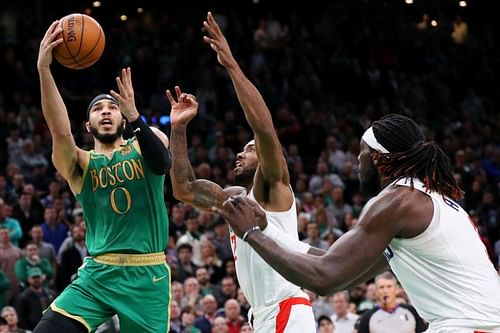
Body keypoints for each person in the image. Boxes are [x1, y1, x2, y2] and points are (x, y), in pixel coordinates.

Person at [218, 114, 500, 332]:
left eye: (362, 152)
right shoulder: (428, 198)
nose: (357, 159)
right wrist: (268, 230)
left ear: (378, 159)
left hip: (469, 326)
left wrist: (252, 234)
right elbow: (338, 264)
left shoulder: (397, 201)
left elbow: (324, 278)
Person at [167, 11, 320, 332]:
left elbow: (264, 130)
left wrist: (231, 66)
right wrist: (178, 128)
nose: (241, 152)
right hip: (262, 314)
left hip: (286, 310)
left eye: (249, 150)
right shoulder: (236, 199)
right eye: (243, 148)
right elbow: (184, 188)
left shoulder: (272, 189)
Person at [34, 20, 172, 333]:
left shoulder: (147, 142)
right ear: (88, 125)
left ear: (123, 117)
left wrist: (137, 117)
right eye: (98, 109)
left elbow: (162, 163)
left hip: (146, 275)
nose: (106, 112)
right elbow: (58, 129)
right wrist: (44, 69)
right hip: (98, 272)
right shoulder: (81, 163)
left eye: (112, 107)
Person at [356, 271, 427, 333]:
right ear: (376, 291)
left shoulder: (412, 311)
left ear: (396, 289)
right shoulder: (367, 317)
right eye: (381, 287)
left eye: (389, 286)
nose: (385, 291)